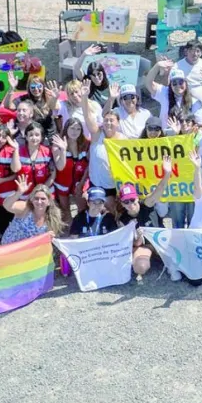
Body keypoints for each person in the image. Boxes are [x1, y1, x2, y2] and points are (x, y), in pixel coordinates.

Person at [116, 168, 171, 279]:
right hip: (144, 246)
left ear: (137, 198)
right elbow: (134, 244)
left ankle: (166, 261)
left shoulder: (147, 204)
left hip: (160, 241)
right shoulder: (123, 220)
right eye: (126, 201)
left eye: (132, 199)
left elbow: (159, 190)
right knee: (140, 267)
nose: (130, 204)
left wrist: (167, 173)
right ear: (122, 203)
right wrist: (139, 236)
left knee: (178, 260)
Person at [82, 81, 122, 212]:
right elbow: (87, 117)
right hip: (96, 184)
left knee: (113, 211)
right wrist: (84, 98)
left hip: (113, 184)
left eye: (112, 120)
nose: (109, 123)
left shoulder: (123, 139)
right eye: (106, 120)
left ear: (118, 123)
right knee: (96, 211)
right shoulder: (97, 134)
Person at [145, 64, 202, 129]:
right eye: (174, 83)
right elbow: (148, 82)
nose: (178, 85)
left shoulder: (194, 102)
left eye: (181, 82)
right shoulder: (164, 93)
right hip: (166, 137)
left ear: (186, 83)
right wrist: (157, 66)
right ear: (170, 85)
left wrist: (189, 130)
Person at [51, 119, 89, 222]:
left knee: (82, 208)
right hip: (62, 182)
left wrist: (81, 183)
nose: (75, 131)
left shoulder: (85, 143)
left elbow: (89, 165)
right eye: (72, 128)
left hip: (79, 182)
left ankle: (80, 229)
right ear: (66, 128)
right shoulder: (57, 144)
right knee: (65, 210)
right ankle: (69, 232)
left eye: (78, 129)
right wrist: (63, 149)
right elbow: (60, 167)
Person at [170, 40, 202, 106]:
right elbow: (170, 86)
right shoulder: (177, 66)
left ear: (201, 53)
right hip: (185, 104)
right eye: (191, 50)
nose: (194, 54)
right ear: (186, 51)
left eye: (197, 51)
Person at [15, 121, 55, 195]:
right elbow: (15, 171)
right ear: (26, 137)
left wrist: (41, 190)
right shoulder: (18, 152)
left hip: (45, 192)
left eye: (37, 135)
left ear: (41, 137)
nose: (34, 138)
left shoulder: (47, 152)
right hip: (25, 193)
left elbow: (53, 174)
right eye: (31, 135)